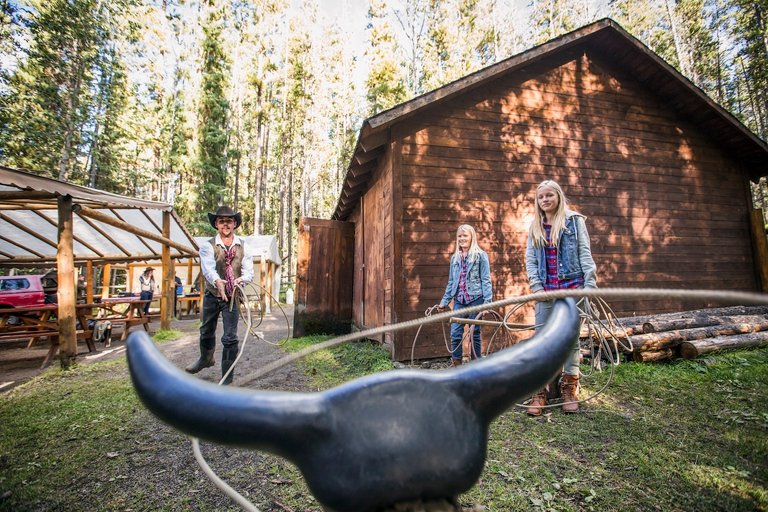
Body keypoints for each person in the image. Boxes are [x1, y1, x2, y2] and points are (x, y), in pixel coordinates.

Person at [524, 180, 597, 415]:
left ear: (558, 196)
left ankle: (569, 389)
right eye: (540, 197)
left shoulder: (574, 222)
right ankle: (540, 391)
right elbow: (531, 261)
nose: (545, 200)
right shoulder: (535, 226)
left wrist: (590, 286)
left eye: (549, 195)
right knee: (542, 340)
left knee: (571, 340)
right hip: (546, 292)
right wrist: (536, 287)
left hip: (573, 289)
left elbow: (584, 254)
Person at [185, 205, 254, 385]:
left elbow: (249, 273)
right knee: (206, 329)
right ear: (216, 224)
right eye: (221, 221)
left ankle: (227, 379)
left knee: (230, 337)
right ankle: (206, 359)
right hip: (212, 293)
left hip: (233, 297)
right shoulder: (207, 246)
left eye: (229, 221)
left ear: (235, 224)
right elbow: (208, 268)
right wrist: (218, 281)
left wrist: (240, 281)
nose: (225, 224)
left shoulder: (244, 247)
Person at [437, 224, 493, 366]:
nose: (462, 239)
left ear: (471, 237)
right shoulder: (455, 258)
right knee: (455, 333)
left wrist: (487, 303)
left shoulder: (481, 256)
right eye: (460, 236)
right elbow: (451, 282)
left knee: (474, 333)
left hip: (476, 299)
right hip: (459, 301)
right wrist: (444, 301)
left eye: (465, 236)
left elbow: (486, 280)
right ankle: (457, 364)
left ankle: (476, 364)